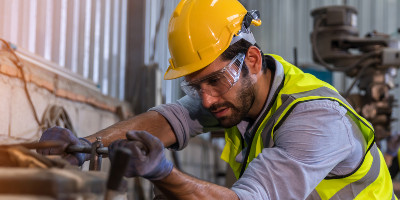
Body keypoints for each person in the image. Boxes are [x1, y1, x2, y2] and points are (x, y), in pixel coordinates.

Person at [38, 0, 396, 199]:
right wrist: (87, 145)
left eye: (214, 80)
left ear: (251, 61)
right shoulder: (241, 91)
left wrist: (165, 174)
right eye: (195, 86)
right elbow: (170, 119)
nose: (207, 100)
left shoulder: (316, 120)